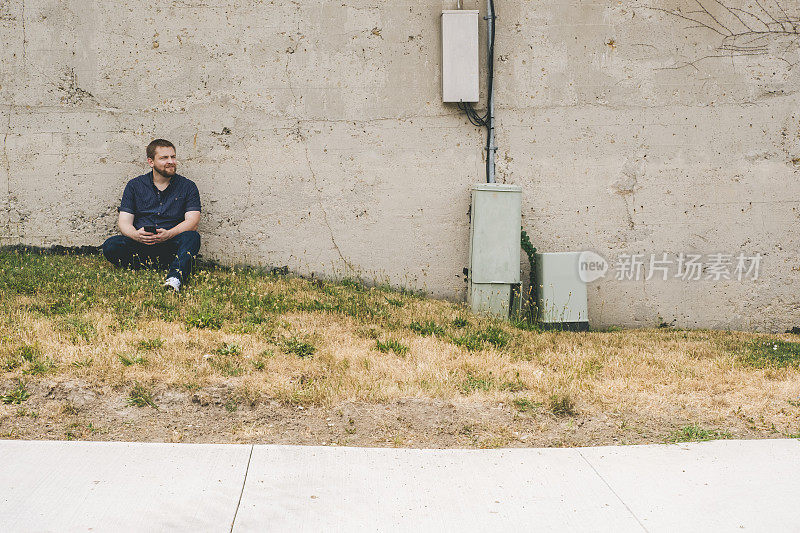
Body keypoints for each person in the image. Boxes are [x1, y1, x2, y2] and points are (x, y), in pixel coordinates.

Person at [101, 139, 201, 292]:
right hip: (141, 245)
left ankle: (175, 278)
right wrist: (136, 235)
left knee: (192, 238)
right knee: (111, 245)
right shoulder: (135, 185)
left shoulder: (188, 186)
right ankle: (151, 265)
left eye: (173, 157)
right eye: (164, 158)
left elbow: (193, 222)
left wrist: (169, 234)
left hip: (171, 245)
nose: (171, 162)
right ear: (151, 162)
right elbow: (124, 222)